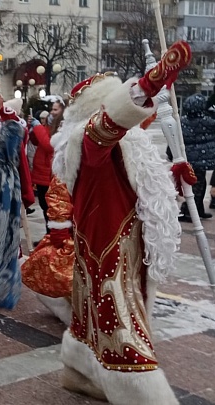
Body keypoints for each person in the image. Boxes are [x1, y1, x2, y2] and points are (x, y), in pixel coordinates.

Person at [52, 41, 190, 404]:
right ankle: (140, 392)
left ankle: (82, 369)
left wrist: (172, 181)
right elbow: (107, 126)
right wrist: (147, 85)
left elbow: (138, 189)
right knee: (118, 317)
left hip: (123, 240)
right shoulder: (87, 139)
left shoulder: (129, 143)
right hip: (108, 241)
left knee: (95, 311)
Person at [178, 93, 215, 221]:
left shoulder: (182, 122)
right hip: (203, 158)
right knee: (198, 185)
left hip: (189, 157)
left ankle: (196, 209)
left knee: (195, 184)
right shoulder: (208, 121)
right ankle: (190, 212)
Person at [30, 99, 65, 232]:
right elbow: (37, 141)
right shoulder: (50, 125)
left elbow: (49, 145)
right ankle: (48, 235)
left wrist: (38, 127)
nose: (52, 112)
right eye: (52, 109)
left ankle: (53, 236)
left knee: (51, 208)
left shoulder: (62, 126)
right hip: (42, 173)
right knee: (45, 207)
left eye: (55, 109)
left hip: (49, 174)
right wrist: (33, 130)